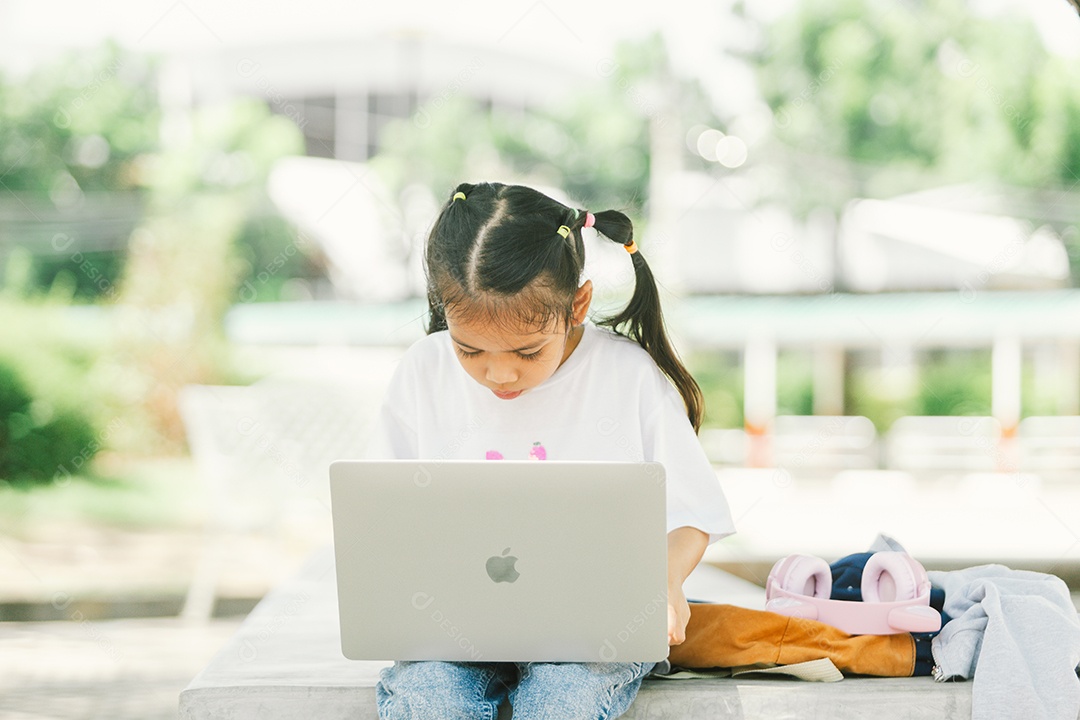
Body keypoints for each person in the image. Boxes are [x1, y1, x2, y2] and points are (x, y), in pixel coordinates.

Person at [366, 181, 735, 719]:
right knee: (429, 700)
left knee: (565, 700)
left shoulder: (626, 377)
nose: (499, 372)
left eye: (526, 350)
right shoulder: (423, 371)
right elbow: (381, 514)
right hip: (452, 630)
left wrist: (666, 579)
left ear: (578, 304)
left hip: (594, 630)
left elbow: (692, 516)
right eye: (469, 348)